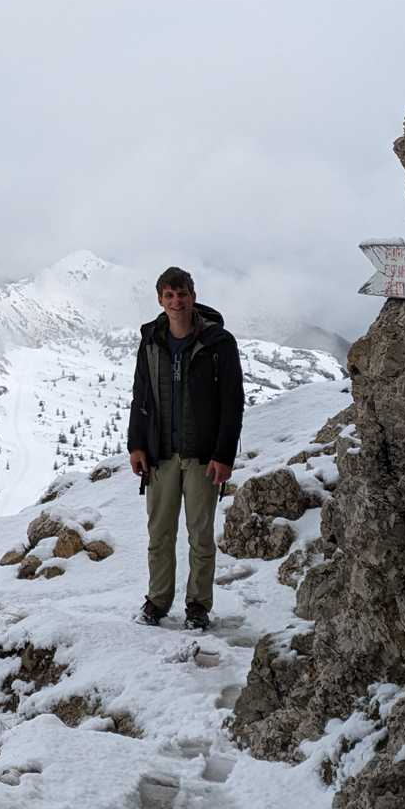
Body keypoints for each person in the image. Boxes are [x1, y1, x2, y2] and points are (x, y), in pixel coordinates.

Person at [127, 266, 244, 630]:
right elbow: (140, 397)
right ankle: (158, 602)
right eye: (169, 295)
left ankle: (197, 606)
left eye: (182, 294)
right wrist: (136, 445)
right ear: (160, 300)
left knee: (200, 535)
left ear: (193, 296)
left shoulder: (218, 343)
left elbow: (232, 401)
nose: (176, 301)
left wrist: (224, 455)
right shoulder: (150, 340)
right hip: (160, 453)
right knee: (159, 534)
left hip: (202, 455)